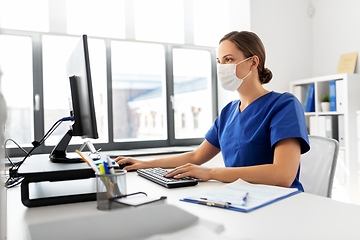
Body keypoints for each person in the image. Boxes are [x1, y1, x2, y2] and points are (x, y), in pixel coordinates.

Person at [115, 31, 310, 191]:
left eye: (229, 59)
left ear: (253, 62)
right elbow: (196, 157)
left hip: (281, 203)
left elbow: (283, 175)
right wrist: (145, 163)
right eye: (219, 61)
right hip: (241, 197)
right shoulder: (228, 112)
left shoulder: (284, 105)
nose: (222, 67)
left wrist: (210, 173)